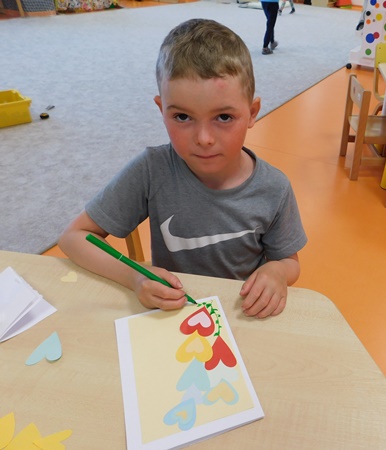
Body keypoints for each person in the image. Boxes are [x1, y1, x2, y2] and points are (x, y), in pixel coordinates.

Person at [58, 19, 307, 319]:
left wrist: (277, 272)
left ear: (252, 112)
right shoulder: (152, 170)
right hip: (173, 316)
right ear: (161, 109)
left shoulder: (275, 188)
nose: (204, 139)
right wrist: (135, 278)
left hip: (242, 315)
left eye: (224, 117)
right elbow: (74, 237)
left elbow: (290, 262)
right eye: (182, 117)